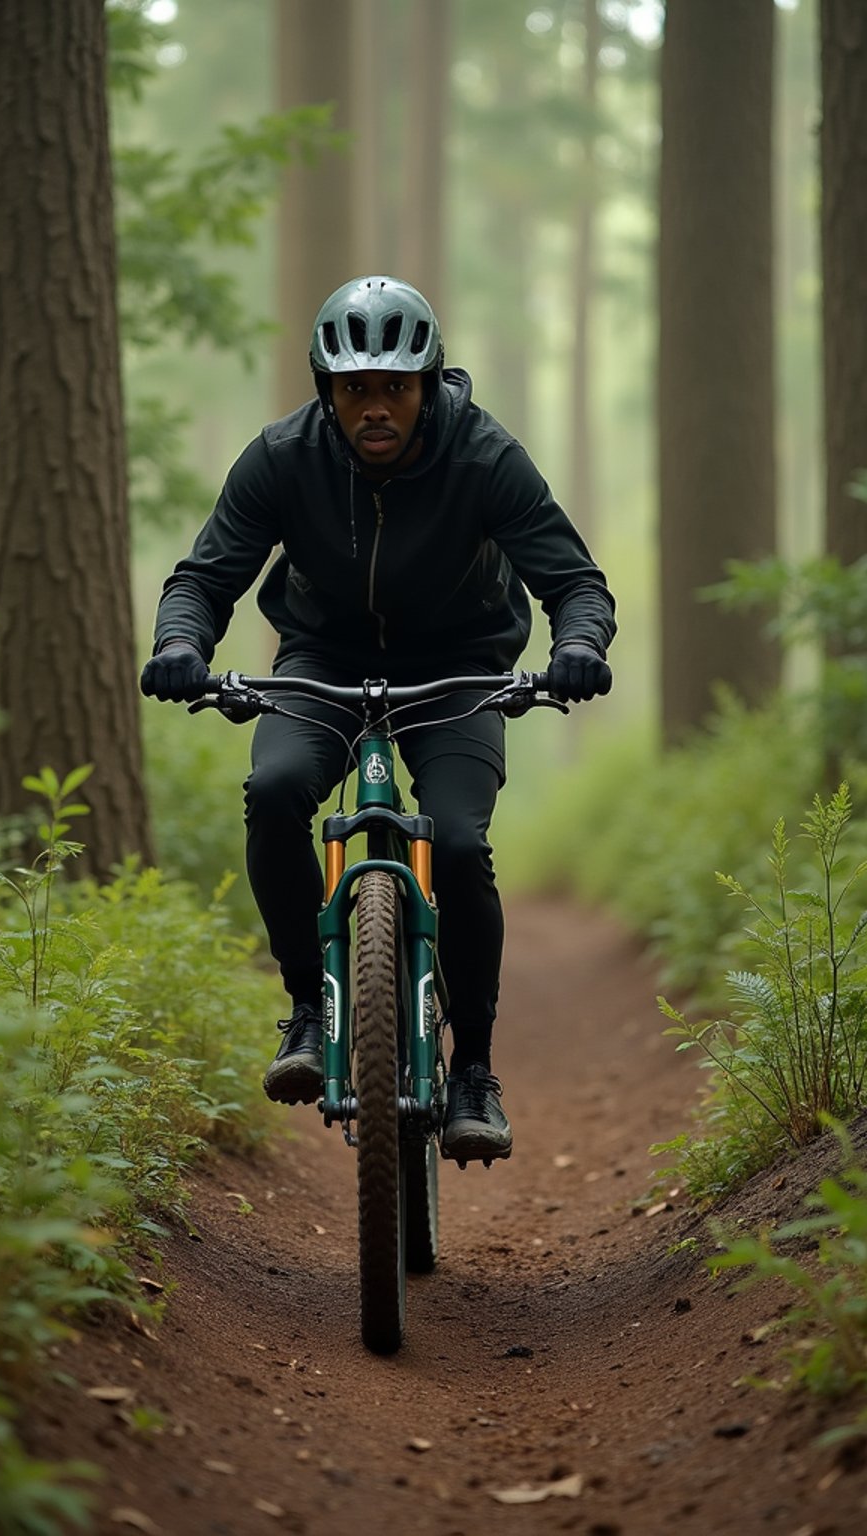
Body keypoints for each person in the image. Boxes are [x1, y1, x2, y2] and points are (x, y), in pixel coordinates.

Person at [141, 275, 615, 1165]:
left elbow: (574, 582)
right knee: (276, 788)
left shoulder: (484, 458)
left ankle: (473, 1068)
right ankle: (310, 1006)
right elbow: (204, 579)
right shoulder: (282, 458)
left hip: (460, 668)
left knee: (463, 847)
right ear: (328, 391)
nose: (376, 407)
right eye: (355, 388)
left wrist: (580, 644)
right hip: (322, 661)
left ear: (428, 383)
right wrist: (180, 644)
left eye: (395, 386)